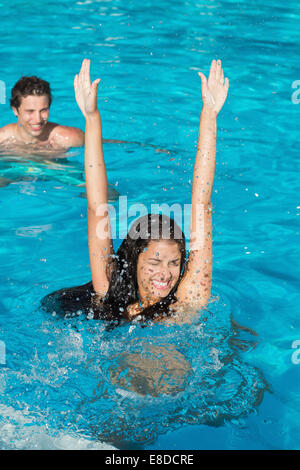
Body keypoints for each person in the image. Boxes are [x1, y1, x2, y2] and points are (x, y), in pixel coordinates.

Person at [42, 58, 229, 324]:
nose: (165, 274)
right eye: (155, 262)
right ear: (133, 259)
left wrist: (209, 114)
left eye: (174, 263)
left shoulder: (187, 300)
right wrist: (91, 117)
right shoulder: (109, 290)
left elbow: (202, 205)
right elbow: (97, 206)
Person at [0, 76, 85, 154]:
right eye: (30, 111)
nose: (38, 119)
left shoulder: (65, 138)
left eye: (43, 110)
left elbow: (94, 146)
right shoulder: (2, 140)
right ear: (15, 110)